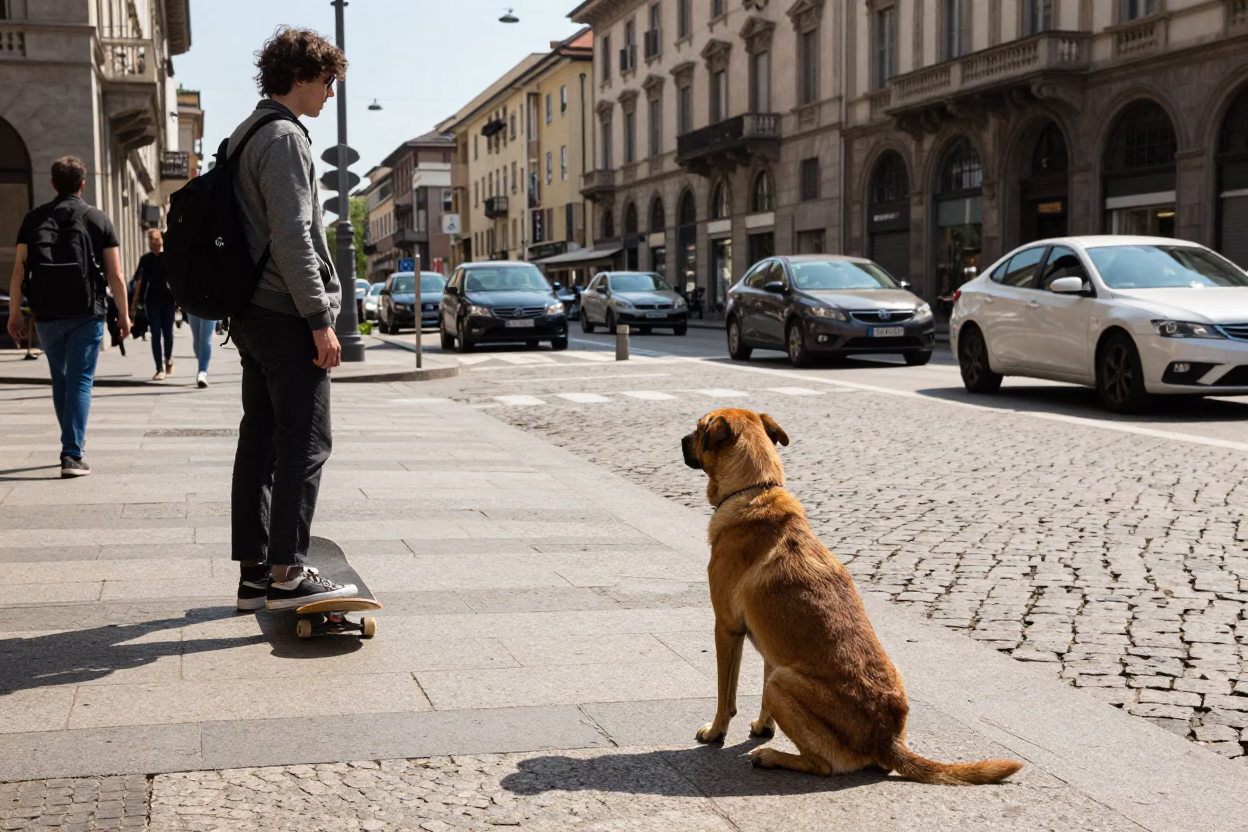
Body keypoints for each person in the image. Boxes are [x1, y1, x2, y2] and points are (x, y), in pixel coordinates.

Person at [230, 27, 354, 611]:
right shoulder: (283, 138)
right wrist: (319, 318)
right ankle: (287, 571)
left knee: (259, 440)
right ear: (301, 76)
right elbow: (293, 238)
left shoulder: (243, 133)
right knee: (305, 442)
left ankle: (255, 569)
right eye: (327, 81)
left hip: (253, 312)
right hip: (284, 313)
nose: (330, 93)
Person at [6, 156, 130, 478]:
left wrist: (15, 311)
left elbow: (19, 270)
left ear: (52, 184)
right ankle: (72, 453)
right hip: (87, 313)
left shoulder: (34, 219)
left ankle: (72, 441)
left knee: (61, 379)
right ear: (82, 184)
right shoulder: (98, 219)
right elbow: (116, 275)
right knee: (80, 381)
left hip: (46, 313)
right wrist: (124, 316)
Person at [130, 229, 176, 380]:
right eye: (150, 241)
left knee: (168, 334)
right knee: (156, 333)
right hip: (152, 301)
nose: (153, 244)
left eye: (155, 240)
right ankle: (159, 368)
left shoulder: (169, 257)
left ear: (160, 241)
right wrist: (134, 303)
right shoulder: (146, 259)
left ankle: (168, 358)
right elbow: (139, 281)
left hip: (168, 300)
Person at [186, 312, 215, 387]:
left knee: (205, 339)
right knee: (197, 339)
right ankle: (202, 362)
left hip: (211, 305)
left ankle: (202, 372)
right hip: (193, 305)